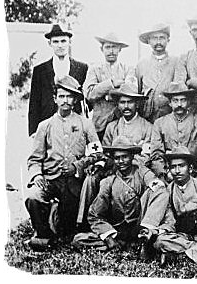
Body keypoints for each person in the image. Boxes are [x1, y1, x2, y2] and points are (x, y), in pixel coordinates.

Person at [25, 76, 99, 250]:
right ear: (55, 98)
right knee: (33, 197)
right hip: (50, 180)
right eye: (61, 96)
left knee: (70, 224)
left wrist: (77, 166)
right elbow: (34, 159)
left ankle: (64, 227)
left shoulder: (85, 123)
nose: (65, 101)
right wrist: (37, 175)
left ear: (75, 100)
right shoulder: (45, 126)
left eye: (69, 97)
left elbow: (98, 153)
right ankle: (43, 233)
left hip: (75, 182)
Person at [76, 83, 154, 228]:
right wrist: (100, 164)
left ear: (137, 104)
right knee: (91, 178)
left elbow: (146, 156)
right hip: (113, 169)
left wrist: (126, 165)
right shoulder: (112, 127)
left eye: (130, 102)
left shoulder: (147, 127)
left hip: (135, 172)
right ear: (117, 105)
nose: (126, 106)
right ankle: (84, 221)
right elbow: (105, 154)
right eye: (122, 102)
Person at [71, 136, 169, 251]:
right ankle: (124, 245)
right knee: (79, 240)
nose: (121, 161)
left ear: (132, 157)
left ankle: (145, 237)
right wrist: (109, 236)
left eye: (124, 157)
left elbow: (159, 188)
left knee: (158, 191)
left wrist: (147, 226)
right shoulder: (108, 181)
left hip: (139, 226)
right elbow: (94, 215)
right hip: (118, 231)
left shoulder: (142, 172)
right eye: (117, 158)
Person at [28, 24, 88, 136]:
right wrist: (33, 131)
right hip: (47, 123)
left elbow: (85, 101)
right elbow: (34, 103)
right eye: (55, 42)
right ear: (49, 43)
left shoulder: (82, 68)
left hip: (74, 125)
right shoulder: (40, 70)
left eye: (63, 41)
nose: (60, 45)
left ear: (70, 42)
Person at [84, 32, 135, 140]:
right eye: (107, 47)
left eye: (114, 47)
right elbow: (89, 93)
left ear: (120, 49)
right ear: (101, 49)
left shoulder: (128, 69)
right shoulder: (94, 69)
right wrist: (111, 83)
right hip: (100, 124)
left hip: (122, 122)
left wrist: (107, 96)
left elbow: (131, 91)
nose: (111, 51)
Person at [136, 23, 184, 122]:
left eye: (162, 38)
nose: (158, 42)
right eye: (154, 38)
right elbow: (138, 90)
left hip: (170, 115)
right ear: (149, 41)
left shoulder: (176, 61)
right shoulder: (142, 63)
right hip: (147, 116)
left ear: (168, 40)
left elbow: (179, 88)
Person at [150, 82, 197, 158]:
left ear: (188, 102)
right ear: (170, 103)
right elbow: (156, 154)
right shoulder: (159, 123)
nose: (179, 104)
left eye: (183, 100)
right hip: (167, 168)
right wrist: (164, 169)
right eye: (175, 101)